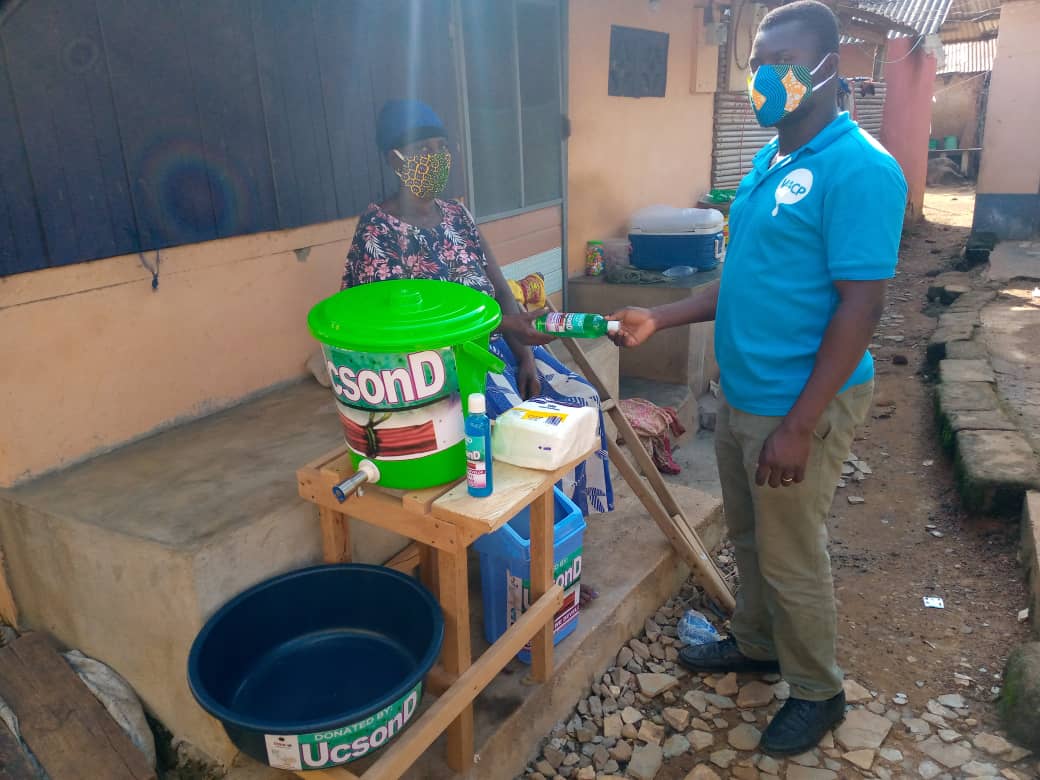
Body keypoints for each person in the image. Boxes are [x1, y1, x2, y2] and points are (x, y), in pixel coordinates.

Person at [610, 1, 906, 756]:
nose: (762, 76)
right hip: (744, 393)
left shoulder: (862, 168)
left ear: (827, 70)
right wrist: (663, 315)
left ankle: (819, 690)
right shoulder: (768, 161)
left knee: (791, 552)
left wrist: (800, 426)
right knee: (748, 536)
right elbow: (740, 280)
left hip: (799, 402)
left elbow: (861, 308)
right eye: (757, 61)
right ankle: (756, 641)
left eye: (779, 61)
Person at [340, 98, 613, 517]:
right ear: (393, 160)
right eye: (420, 150)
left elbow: (499, 286)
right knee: (523, 430)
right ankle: (530, 550)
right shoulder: (378, 229)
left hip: (501, 344)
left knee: (581, 401)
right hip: (442, 370)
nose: (434, 158)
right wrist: (509, 327)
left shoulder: (457, 214)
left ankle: (567, 533)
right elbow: (399, 325)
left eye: (439, 146)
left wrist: (525, 355)